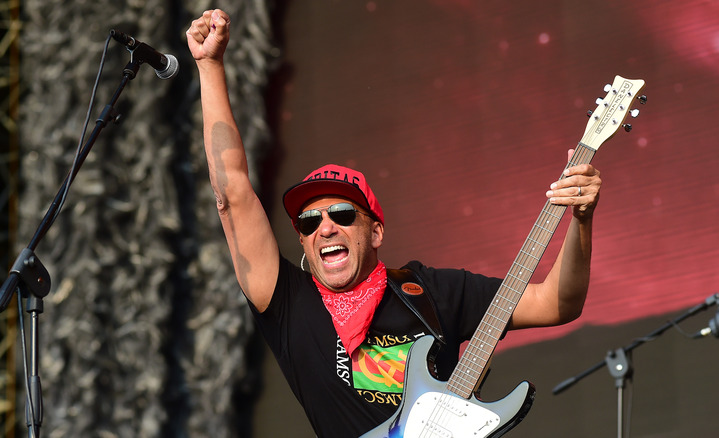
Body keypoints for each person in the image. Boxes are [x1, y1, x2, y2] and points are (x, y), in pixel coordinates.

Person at [187, 9, 602, 438]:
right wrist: (210, 67)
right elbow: (231, 193)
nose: (325, 227)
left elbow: (557, 303)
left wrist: (582, 219)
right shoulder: (290, 304)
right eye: (309, 222)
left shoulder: (432, 292)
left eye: (343, 214)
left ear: (376, 231)